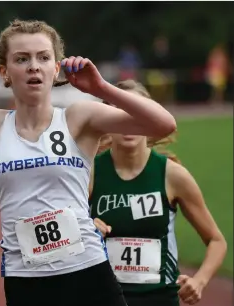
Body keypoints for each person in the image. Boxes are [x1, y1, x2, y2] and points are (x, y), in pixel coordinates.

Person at [0, 19, 176, 306]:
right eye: (22, 59)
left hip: (86, 271)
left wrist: (100, 88)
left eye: (43, 57)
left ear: (55, 68)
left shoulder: (78, 117)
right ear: (5, 72)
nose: (33, 66)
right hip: (24, 277)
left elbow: (163, 125)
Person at [89, 80, 227, 306]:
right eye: (120, 113)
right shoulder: (90, 173)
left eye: (137, 112)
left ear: (151, 119)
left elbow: (216, 240)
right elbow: (65, 238)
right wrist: (85, 227)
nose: (129, 121)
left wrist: (200, 281)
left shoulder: (172, 176)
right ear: (106, 121)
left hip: (160, 300)